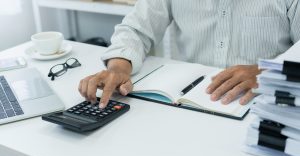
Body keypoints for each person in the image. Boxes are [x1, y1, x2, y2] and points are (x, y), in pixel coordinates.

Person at [78, 0, 300, 108]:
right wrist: (118, 68)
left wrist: (266, 70)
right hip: (189, 103)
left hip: (265, 104)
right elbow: (136, 29)